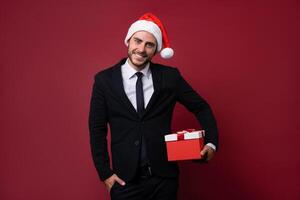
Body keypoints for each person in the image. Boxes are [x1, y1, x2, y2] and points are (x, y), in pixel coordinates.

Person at [89, 13, 219, 200]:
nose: (141, 49)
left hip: (164, 179)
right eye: (138, 41)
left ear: (156, 49)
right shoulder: (104, 81)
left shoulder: (169, 77)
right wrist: (105, 173)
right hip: (125, 182)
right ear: (128, 41)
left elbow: (201, 107)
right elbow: (97, 129)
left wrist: (211, 143)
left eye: (149, 45)